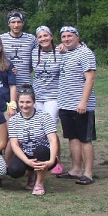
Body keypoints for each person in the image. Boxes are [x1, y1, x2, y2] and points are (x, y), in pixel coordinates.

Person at [56, 26, 97, 185]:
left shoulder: (85, 53)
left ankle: (88, 173)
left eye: (70, 36)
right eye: (64, 37)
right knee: (72, 138)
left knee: (85, 139)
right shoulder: (65, 52)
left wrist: (83, 101)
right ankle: (76, 169)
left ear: (77, 37)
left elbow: (90, 78)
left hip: (80, 105)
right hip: (65, 103)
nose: (66, 39)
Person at [7, 86, 59, 196]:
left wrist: (51, 160)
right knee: (14, 170)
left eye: (28, 102)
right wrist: (27, 161)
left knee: (41, 150)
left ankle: (39, 183)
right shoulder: (13, 120)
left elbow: (53, 140)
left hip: (44, 154)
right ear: (17, 102)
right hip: (26, 153)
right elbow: (14, 145)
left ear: (34, 102)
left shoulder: (44, 116)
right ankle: (31, 175)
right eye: (21, 102)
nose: (24, 105)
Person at [31, 25, 65, 175]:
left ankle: (56, 160)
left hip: (53, 96)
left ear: (51, 36)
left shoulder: (60, 51)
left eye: (46, 35)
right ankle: (40, 157)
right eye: (40, 37)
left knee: (50, 128)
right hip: (37, 97)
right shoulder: (34, 53)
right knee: (37, 129)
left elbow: (77, 48)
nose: (43, 39)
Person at [0, 10, 37, 86]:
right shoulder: (1, 39)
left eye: (19, 22)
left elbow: (45, 48)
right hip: (6, 84)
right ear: (9, 24)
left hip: (25, 84)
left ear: (23, 23)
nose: (16, 25)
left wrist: (60, 46)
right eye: (13, 22)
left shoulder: (31, 39)